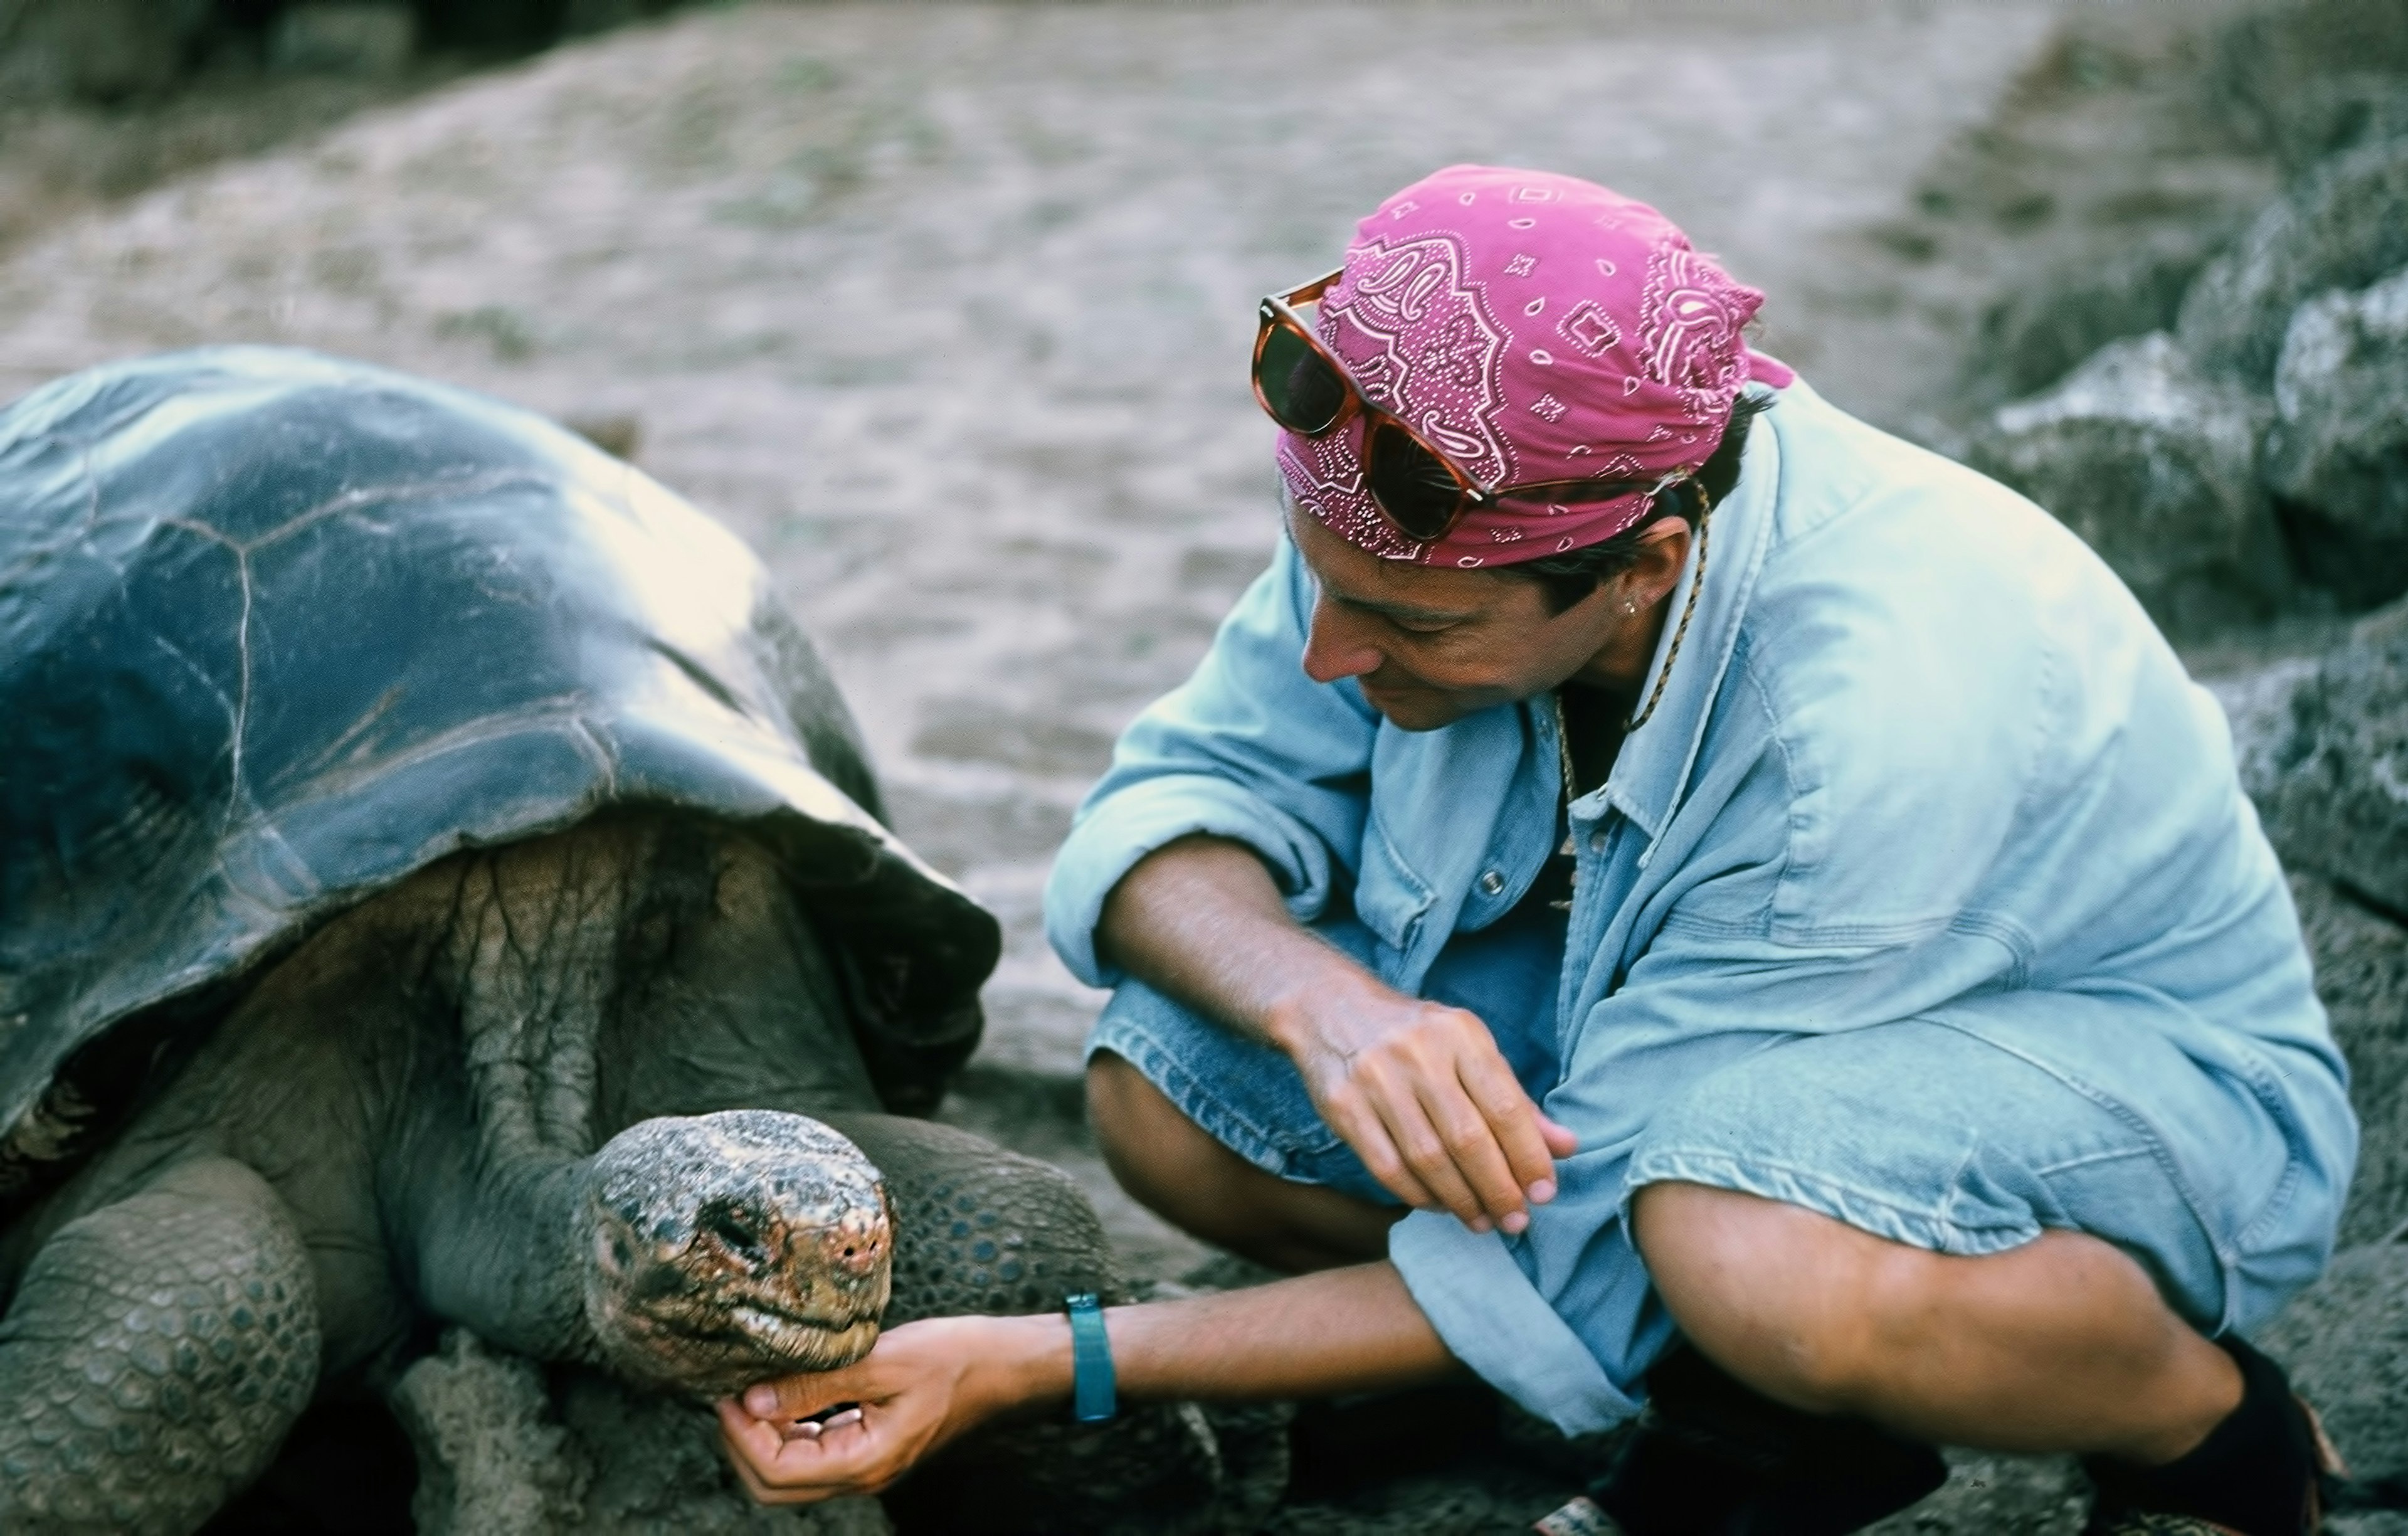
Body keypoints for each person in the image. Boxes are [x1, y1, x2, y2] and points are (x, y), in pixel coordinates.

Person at [720, 165, 2357, 1534]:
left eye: (1408, 626)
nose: (1331, 658)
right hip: (1706, 1051)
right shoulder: (1407, 504)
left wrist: (1041, 1358)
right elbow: (1159, 825)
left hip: (2118, 1092)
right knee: (1170, 1080)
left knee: (1730, 1248)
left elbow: (1606, 1235)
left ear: (1642, 566)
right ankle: (1716, 1400)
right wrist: (1325, 1008)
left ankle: (2212, 1426)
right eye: (1323, 584)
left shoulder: (1854, 721)